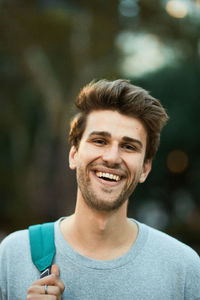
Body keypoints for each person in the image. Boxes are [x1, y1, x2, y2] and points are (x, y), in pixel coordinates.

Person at [0, 79, 200, 300]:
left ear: (145, 168)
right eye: (99, 141)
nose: (112, 158)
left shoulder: (184, 269)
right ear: (74, 154)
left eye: (128, 146)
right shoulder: (12, 256)